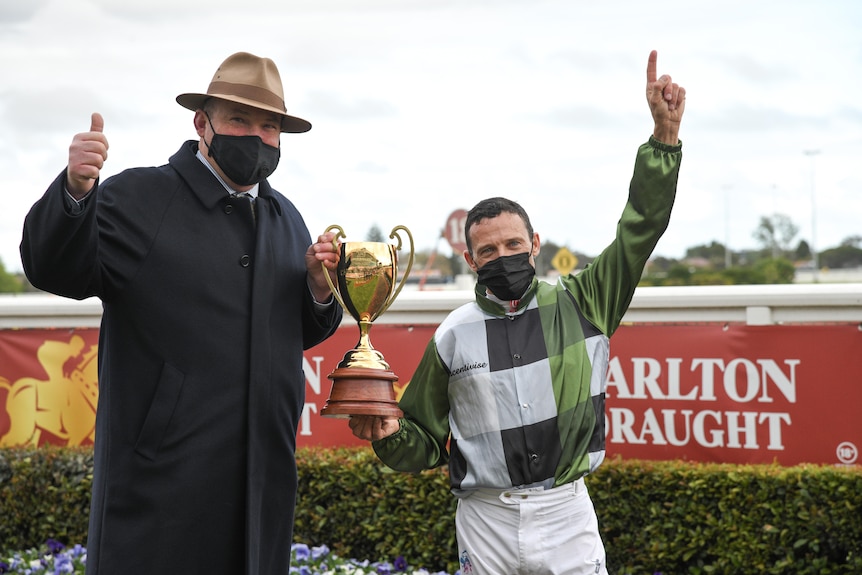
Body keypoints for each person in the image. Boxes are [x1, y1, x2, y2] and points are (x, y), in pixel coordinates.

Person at [349, 50, 685, 575]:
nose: (501, 257)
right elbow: (421, 442)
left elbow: (640, 229)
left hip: (566, 511)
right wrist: (385, 434)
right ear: (470, 260)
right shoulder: (452, 336)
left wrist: (663, 141)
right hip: (485, 520)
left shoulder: (586, 300)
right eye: (487, 251)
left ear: (535, 245)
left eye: (512, 244)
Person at [20, 52, 343, 574]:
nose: (255, 137)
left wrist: (318, 289)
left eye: (269, 126)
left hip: (262, 483)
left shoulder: (288, 218)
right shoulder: (140, 196)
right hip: (159, 487)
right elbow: (55, 269)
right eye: (239, 119)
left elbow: (295, 334)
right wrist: (76, 192)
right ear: (202, 122)